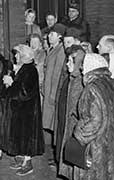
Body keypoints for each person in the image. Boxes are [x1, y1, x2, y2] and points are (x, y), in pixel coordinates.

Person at [0, 44, 44, 176]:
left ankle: (28, 163)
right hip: (19, 110)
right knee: (19, 136)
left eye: (17, 54)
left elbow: (25, 93)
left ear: (24, 56)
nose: (15, 56)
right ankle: (21, 159)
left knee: (26, 137)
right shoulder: (22, 68)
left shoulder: (30, 70)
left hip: (27, 111)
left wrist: (12, 82)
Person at [73, 53, 114, 179]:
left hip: (95, 146)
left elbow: (94, 121)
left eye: (84, 65)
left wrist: (78, 135)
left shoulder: (92, 88)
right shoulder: (110, 83)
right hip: (109, 140)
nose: (81, 69)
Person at [55, 45, 85, 179]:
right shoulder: (71, 78)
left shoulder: (81, 82)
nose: (67, 64)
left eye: (70, 61)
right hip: (67, 126)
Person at [42, 23, 66, 131]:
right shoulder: (51, 49)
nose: (49, 36)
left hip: (53, 91)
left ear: (59, 36)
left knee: (52, 121)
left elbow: (57, 74)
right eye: (49, 34)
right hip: (47, 89)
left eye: (52, 34)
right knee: (47, 120)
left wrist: (53, 94)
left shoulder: (61, 51)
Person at [29, 33, 46, 105]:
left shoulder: (43, 55)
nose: (33, 44)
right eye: (31, 42)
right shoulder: (28, 54)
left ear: (40, 44)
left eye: (35, 42)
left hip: (39, 87)